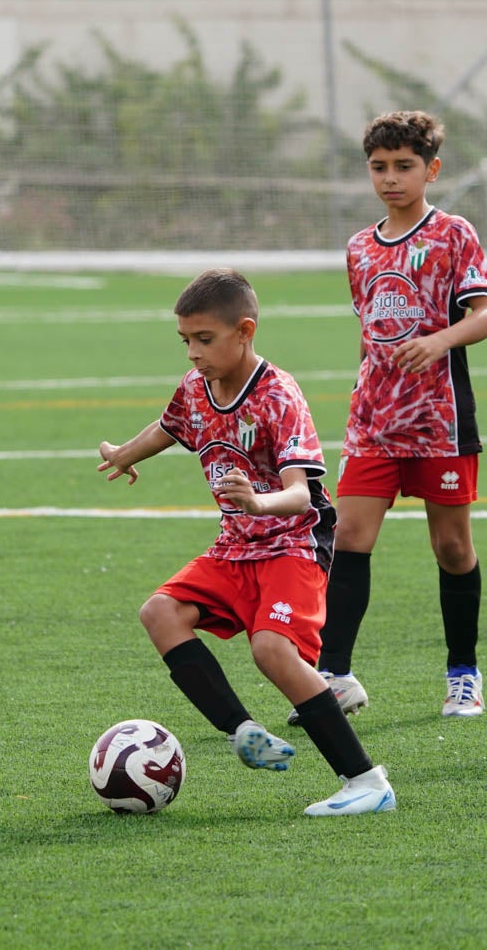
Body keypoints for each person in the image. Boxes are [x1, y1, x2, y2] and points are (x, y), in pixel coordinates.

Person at [97, 268, 395, 817]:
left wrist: (258, 502)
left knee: (271, 650)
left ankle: (365, 781)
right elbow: (170, 427)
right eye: (185, 340)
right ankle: (241, 730)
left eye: (204, 339)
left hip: (292, 544)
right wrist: (125, 455)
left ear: (245, 331)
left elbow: (301, 495)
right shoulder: (196, 388)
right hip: (236, 545)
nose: (192, 353)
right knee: (160, 612)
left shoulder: (279, 396)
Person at [311, 110, 487, 720]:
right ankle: (333, 676)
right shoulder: (359, 248)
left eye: (404, 167)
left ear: (431, 169)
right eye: (379, 167)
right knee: (349, 537)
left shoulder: (453, 235)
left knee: (451, 547)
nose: (390, 178)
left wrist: (440, 340)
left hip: (440, 422)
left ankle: (463, 674)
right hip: (373, 422)